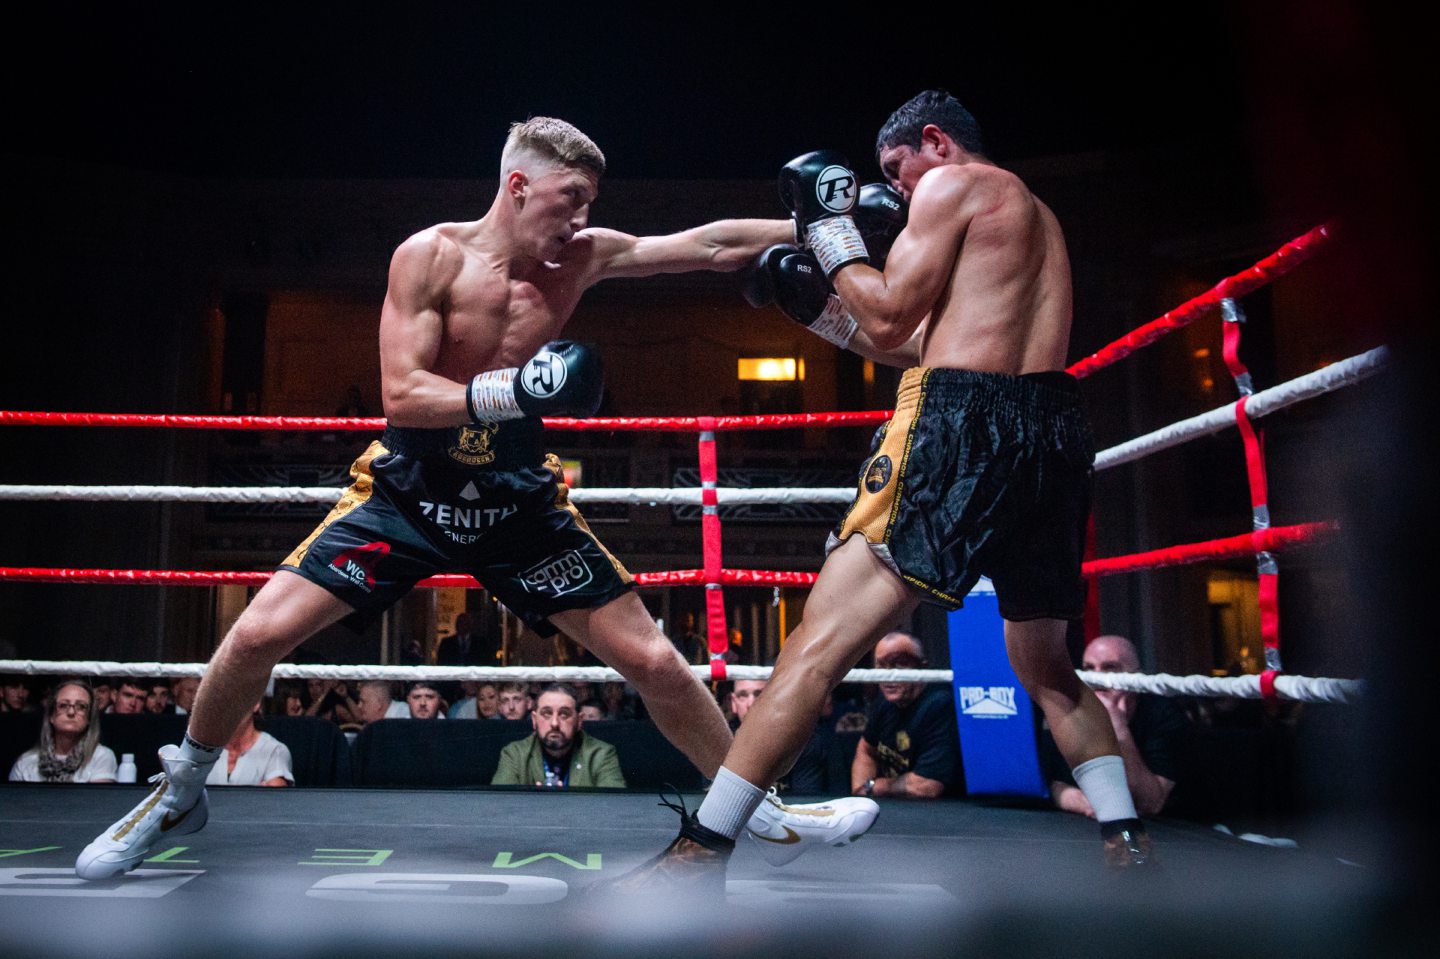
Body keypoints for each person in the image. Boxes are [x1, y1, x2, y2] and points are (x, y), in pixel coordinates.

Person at [75, 115, 863, 881]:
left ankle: (755, 808)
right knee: (252, 638)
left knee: (655, 659)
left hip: (518, 501)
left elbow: (709, 243)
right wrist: (515, 388)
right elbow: (402, 393)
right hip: (410, 490)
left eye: (590, 202)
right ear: (517, 186)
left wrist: (829, 222)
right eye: (570, 199)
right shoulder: (428, 257)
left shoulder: (579, 258)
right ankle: (178, 796)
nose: (582, 218)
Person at [607, 90, 1152, 893]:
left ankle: (701, 852)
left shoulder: (949, 185)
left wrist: (829, 232)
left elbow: (894, 320)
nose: (895, 194)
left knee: (815, 647)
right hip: (1053, 435)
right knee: (1044, 662)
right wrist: (822, 313)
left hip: (958, 432)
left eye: (896, 174)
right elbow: (931, 339)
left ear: (934, 142)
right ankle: (1128, 842)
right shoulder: (1035, 215)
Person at [1039, 634, 1193, 818]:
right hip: (1087, 827)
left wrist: (1118, 728)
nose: (1097, 679)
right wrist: (1087, 803)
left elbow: (1150, 802)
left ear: (1135, 677)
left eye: (1110, 668)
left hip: (1174, 830)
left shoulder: (1164, 715)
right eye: (1089, 669)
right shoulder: (1072, 710)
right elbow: (1054, 783)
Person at [850, 632, 961, 800]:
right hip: (899, 809)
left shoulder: (940, 704)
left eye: (899, 665)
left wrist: (873, 786)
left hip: (946, 814)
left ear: (922, 667)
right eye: (881, 666)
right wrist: (860, 798)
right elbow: (866, 751)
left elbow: (927, 786)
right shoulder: (885, 702)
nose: (888, 675)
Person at [491, 683, 625, 788]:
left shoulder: (601, 754)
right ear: (534, 720)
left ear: (579, 721)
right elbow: (498, 808)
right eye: (546, 713)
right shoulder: (514, 754)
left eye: (564, 714)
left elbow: (613, 810)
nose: (554, 723)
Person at [8, 679, 117, 783]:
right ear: (51, 715)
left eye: (81, 706)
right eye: (63, 705)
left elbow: (98, 801)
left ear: (89, 718)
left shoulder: (101, 757)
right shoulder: (26, 762)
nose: (71, 712)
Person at [207, 702, 293, 787]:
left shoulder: (275, 750)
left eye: (238, 698)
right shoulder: (202, 747)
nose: (230, 707)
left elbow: (275, 796)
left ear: (256, 704)